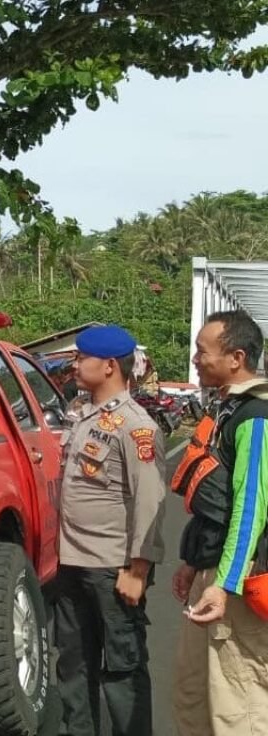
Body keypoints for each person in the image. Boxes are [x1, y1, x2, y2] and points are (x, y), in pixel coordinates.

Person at [55, 325, 166, 736]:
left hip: (112, 567)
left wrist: (138, 570)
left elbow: (150, 500)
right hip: (72, 562)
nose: (75, 364)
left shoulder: (135, 426)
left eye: (82, 358)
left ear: (108, 366)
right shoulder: (82, 415)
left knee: (122, 669)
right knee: (73, 664)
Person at [172, 309, 268, 736]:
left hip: (238, 582)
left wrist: (225, 585)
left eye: (202, 351)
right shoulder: (228, 408)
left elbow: (250, 509)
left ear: (236, 357)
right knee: (194, 692)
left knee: (237, 702)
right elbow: (216, 506)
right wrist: (194, 563)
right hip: (213, 571)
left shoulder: (255, 417)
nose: (195, 359)